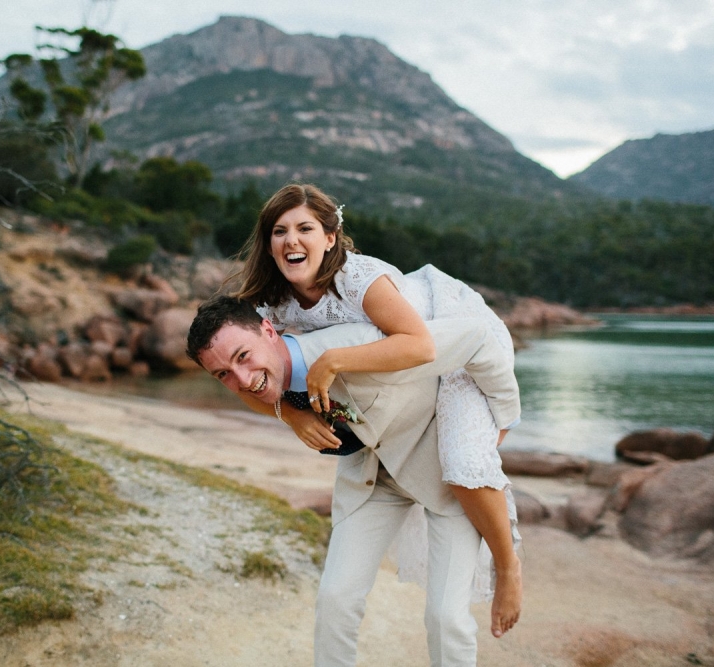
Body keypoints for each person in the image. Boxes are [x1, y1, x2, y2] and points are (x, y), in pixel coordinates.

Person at [232, 183, 522, 638]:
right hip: (395, 385)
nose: (291, 240)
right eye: (279, 231)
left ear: (330, 238)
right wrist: (292, 416)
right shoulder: (271, 306)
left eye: (305, 228)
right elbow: (240, 374)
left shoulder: (358, 278)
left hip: (451, 340)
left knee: (465, 461)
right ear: (268, 245)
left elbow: (421, 345)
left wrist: (333, 362)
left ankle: (507, 567)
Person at [185, 295, 521, 666]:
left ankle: (509, 570)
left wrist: (503, 421)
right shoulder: (262, 378)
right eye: (223, 375)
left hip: (438, 473)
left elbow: (473, 336)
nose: (242, 379)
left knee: (446, 618)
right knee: (335, 600)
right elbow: (254, 388)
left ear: (268, 330)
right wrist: (291, 414)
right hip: (372, 477)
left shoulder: (354, 345)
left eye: (242, 356)